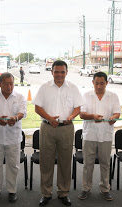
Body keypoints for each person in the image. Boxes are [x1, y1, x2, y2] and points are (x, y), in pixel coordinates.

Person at [32, 60, 84, 206]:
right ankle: (46, 193)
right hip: (48, 128)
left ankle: (63, 192)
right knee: (46, 161)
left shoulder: (73, 88)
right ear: (52, 72)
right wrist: (49, 118)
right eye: (56, 72)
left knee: (65, 161)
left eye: (62, 72)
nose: (59, 75)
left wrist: (71, 117)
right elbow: (37, 107)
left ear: (66, 72)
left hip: (66, 128)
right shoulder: (45, 87)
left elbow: (77, 108)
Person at [78, 72, 121, 201]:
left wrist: (114, 118)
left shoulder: (113, 96)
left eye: (102, 83)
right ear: (93, 83)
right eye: (96, 83)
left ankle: (105, 188)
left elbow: (117, 112)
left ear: (106, 83)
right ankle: (86, 188)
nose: (99, 86)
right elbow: (81, 114)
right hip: (89, 134)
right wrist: (92, 117)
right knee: (88, 164)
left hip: (106, 134)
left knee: (105, 163)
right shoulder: (86, 95)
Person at [0, 72, 27, 203]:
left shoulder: (19, 96)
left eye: (11, 83)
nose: (9, 86)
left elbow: (23, 112)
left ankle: (12, 191)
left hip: (13, 137)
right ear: (0, 84)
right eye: (6, 84)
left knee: (13, 166)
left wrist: (15, 117)